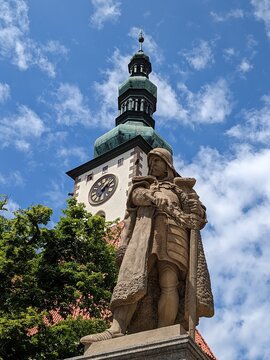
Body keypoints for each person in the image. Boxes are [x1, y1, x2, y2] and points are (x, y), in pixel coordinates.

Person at [81, 148, 214, 345]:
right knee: (132, 278)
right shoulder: (144, 184)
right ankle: (117, 328)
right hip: (145, 237)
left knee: (169, 282)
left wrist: (197, 211)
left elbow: (199, 216)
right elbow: (135, 197)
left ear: (168, 165)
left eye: (157, 161)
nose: (152, 165)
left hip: (175, 238)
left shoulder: (181, 190)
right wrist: (152, 197)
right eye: (150, 161)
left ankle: (165, 332)